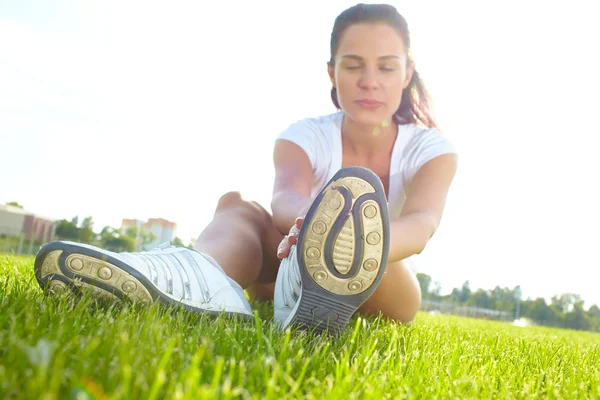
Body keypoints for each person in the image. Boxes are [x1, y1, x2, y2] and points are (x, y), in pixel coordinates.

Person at [33, 3, 458, 334]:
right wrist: (315, 225)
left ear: (406, 74)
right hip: (286, 262)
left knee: (367, 252)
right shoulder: (303, 134)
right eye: (353, 65)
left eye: (386, 66)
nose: (369, 80)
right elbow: (284, 199)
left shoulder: (432, 148)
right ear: (331, 72)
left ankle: (323, 282)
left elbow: (423, 222)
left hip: (388, 287)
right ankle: (195, 275)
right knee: (236, 204)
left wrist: (355, 241)